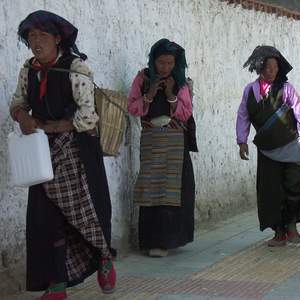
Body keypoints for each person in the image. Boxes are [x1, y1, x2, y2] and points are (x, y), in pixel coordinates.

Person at [10, 10, 116, 299]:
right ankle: (56, 285)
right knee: (46, 220)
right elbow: (17, 103)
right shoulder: (28, 70)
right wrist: (22, 117)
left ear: (58, 39)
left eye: (42, 36)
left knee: (85, 213)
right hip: (41, 153)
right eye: (31, 37)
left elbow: (88, 117)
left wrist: (48, 125)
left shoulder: (76, 69)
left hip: (75, 152)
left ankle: (104, 259)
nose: (36, 42)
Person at [236, 45, 300, 247]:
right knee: (271, 191)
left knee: (293, 187)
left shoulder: (287, 89)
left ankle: (291, 224)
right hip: (267, 149)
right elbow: (243, 116)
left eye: (275, 67)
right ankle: (278, 231)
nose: (272, 71)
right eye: (267, 68)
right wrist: (241, 140)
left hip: (291, 147)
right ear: (259, 68)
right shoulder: (250, 91)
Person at [128, 39, 197, 257]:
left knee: (172, 190)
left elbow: (186, 113)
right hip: (151, 141)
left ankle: (168, 241)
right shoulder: (143, 78)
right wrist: (148, 96)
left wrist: (170, 95)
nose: (165, 67)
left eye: (169, 63)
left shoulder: (181, 82)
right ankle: (151, 240)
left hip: (176, 142)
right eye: (161, 62)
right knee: (151, 188)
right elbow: (132, 107)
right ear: (153, 60)